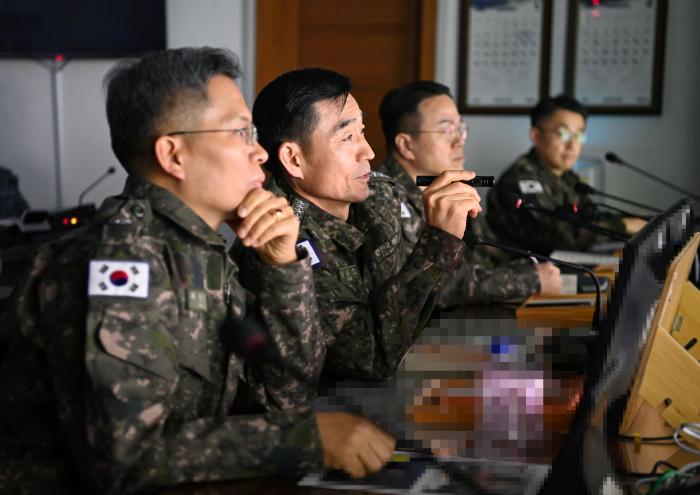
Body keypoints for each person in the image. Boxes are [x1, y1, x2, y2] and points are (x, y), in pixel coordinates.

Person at [0, 48, 394, 495]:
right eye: (240, 133)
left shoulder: (201, 251)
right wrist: (305, 439)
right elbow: (123, 460)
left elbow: (284, 398)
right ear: (173, 154)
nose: (260, 154)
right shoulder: (122, 263)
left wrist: (283, 266)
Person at [247, 68, 481, 381]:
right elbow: (369, 358)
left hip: (401, 370)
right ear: (294, 159)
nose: (368, 151)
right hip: (329, 402)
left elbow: (399, 312)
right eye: (347, 137)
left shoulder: (379, 193)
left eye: (362, 132)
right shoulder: (282, 237)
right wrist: (439, 241)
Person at [378, 81, 562, 305]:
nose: (459, 140)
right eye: (446, 130)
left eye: (460, 129)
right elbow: (426, 286)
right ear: (406, 145)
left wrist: (540, 267)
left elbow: (483, 254)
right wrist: (529, 279)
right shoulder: (380, 197)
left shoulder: (450, 186)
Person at [486, 94, 645, 255]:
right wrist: (624, 226)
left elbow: (591, 214)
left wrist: (639, 220)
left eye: (579, 135)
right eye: (563, 134)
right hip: (522, 273)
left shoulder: (566, 176)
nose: (572, 144)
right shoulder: (521, 179)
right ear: (536, 136)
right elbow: (565, 236)